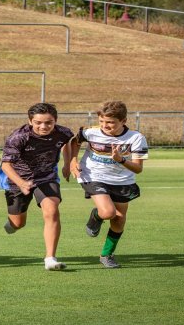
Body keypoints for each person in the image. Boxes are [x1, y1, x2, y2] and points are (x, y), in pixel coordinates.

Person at [69, 101, 148, 268]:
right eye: (102, 121)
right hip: (93, 175)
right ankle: (96, 216)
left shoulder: (136, 138)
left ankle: (107, 254)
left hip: (122, 181)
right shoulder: (90, 132)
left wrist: (121, 160)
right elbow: (75, 142)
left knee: (119, 219)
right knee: (108, 212)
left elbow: (138, 169)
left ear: (123, 121)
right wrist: (73, 160)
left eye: (111, 122)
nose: (105, 126)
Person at [0, 103, 74, 271]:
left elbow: (67, 142)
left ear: (55, 121)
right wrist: (22, 183)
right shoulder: (18, 137)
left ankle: (50, 258)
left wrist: (68, 163)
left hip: (46, 177)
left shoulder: (63, 132)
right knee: (18, 224)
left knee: (52, 210)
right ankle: (13, 223)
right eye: (38, 122)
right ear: (30, 121)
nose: (44, 126)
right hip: (18, 179)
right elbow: (6, 166)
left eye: (49, 122)